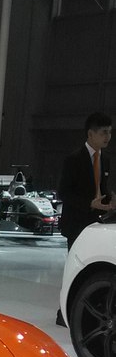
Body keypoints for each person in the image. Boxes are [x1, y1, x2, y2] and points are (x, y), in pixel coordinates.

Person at [56, 111, 114, 324]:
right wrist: (89, 203)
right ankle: (65, 312)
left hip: (96, 223)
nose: (108, 137)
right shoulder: (73, 159)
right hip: (76, 222)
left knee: (92, 267)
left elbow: (101, 189)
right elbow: (64, 192)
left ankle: (89, 309)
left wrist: (109, 201)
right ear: (90, 134)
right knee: (75, 268)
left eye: (110, 132)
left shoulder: (105, 160)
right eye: (103, 132)